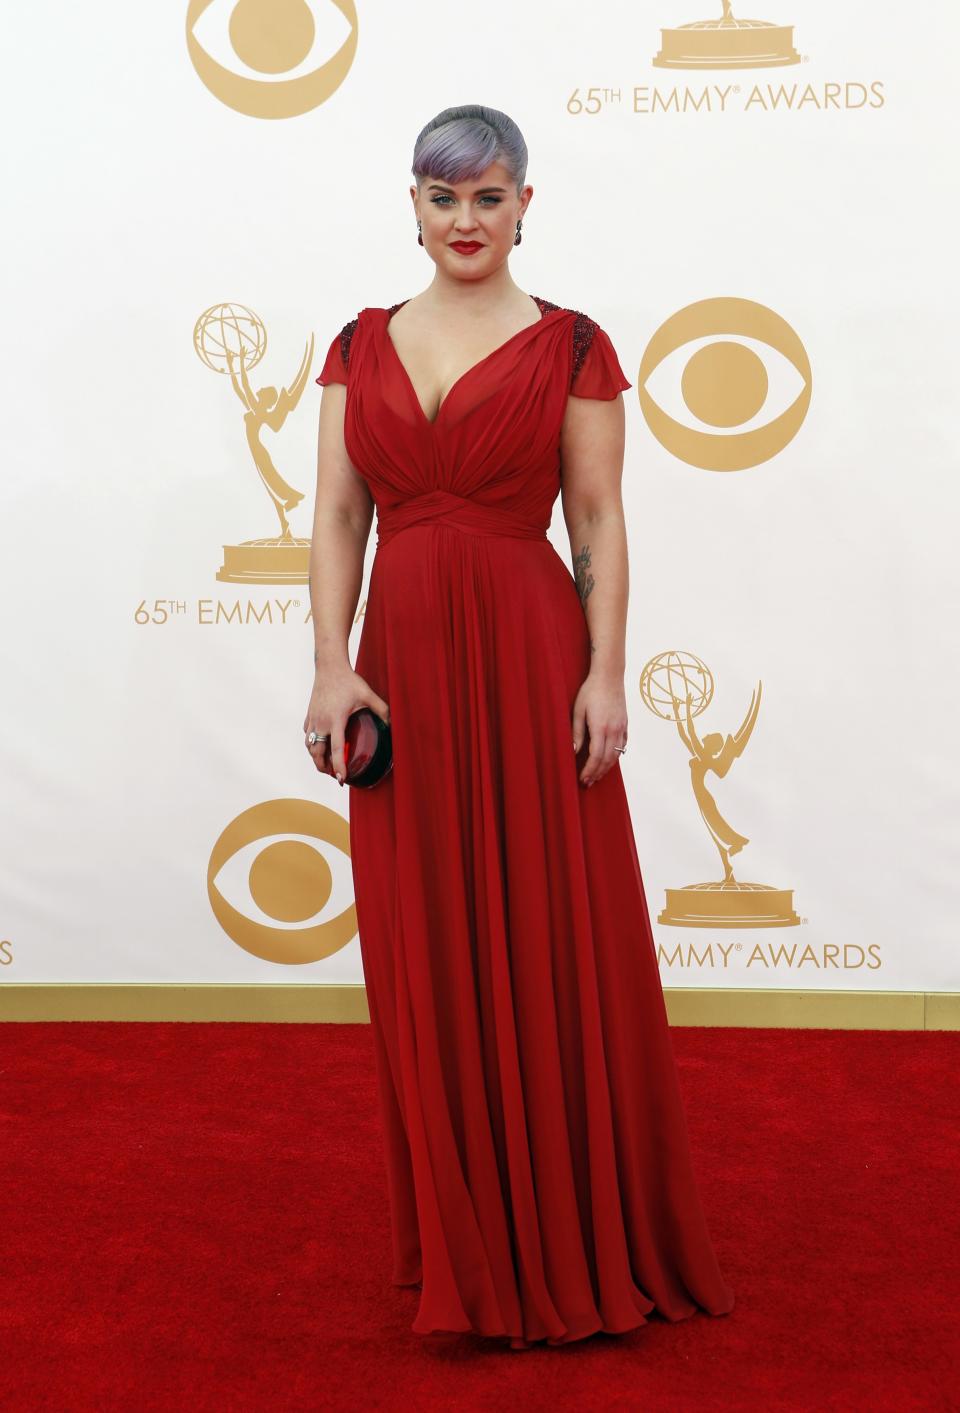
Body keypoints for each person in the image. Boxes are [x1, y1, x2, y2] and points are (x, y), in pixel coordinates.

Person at [303, 103, 735, 1350]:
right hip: (405, 672)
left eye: (489, 198)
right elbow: (338, 521)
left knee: (553, 929)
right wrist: (334, 671)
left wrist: (606, 674)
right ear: (414, 208)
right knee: (422, 937)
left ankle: (572, 1231)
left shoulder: (575, 346)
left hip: (536, 650)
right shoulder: (355, 346)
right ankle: (466, 1238)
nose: (466, 221)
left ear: (526, 206)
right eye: (444, 199)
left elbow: (595, 521)